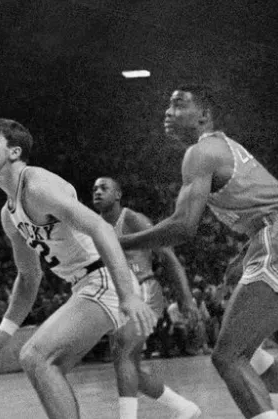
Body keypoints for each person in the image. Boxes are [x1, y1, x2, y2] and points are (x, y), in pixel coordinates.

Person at [120, 85, 278, 419]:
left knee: (228, 357)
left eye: (178, 105)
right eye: (167, 106)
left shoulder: (202, 152)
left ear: (203, 115)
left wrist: (121, 242)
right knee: (253, 355)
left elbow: (183, 226)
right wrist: (246, 252)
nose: (167, 112)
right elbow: (274, 199)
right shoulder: (224, 147)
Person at [0, 119, 156, 419]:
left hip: (104, 278)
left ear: (14, 152)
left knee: (36, 357)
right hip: (85, 285)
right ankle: (184, 409)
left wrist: (128, 295)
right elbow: (29, 276)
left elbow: (101, 227)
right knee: (46, 364)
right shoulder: (9, 214)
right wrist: (5, 331)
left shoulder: (37, 185)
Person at [91, 176, 202, 418]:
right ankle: (185, 409)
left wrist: (185, 298)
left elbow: (169, 257)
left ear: (118, 194)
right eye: (94, 189)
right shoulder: (95, 225)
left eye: (104, 188)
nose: (97, 192)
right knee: (130, 368)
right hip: (119, 297)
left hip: (145, 291)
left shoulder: (132, 219)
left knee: (123, 356)